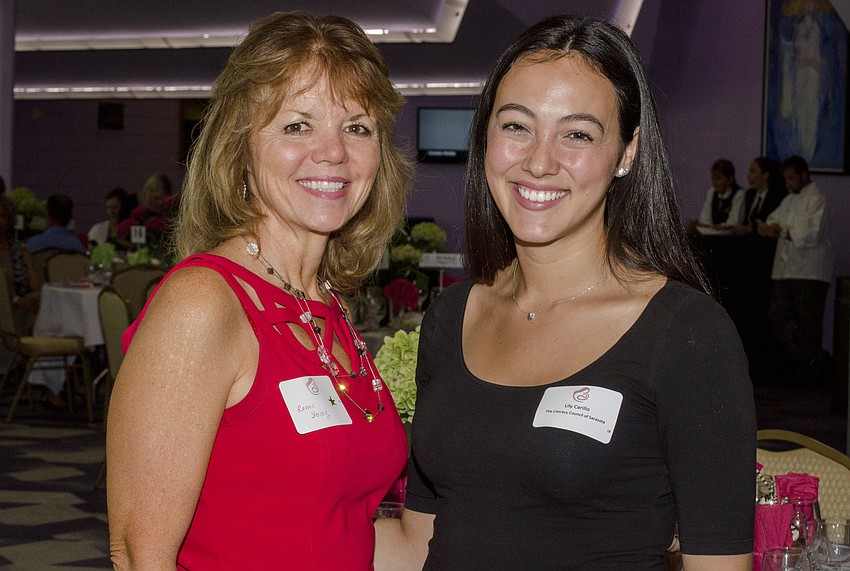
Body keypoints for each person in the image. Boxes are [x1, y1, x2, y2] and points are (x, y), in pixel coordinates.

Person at [376, 14, 755, 571]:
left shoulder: (686, 334)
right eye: (516, 126)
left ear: (626, 151)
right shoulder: (452, 317)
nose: (538, 161)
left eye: (576, 134)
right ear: (485, 136)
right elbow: (417, 546)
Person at [107, 11, 412, 569]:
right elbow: (138, 555)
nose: (334, 151)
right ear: (240, 147)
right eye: (297, 125)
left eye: (358, 127)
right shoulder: (203, 303)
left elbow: (344, 528)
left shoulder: (326, 303)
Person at [758, 155, 833, 384]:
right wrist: (775, 228)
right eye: (786, 179)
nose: (789, 183)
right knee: (777, 315)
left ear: (804, 175)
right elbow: (771, 221)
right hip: (786, 270)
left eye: (792, 178)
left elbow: (811, 234)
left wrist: (782, 230)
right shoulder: (789, 200)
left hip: (810, 272)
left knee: (808, 322)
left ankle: (812, 373)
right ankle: (813, 359)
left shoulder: (818, 199)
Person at [730, 157, 787, 235]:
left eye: (753, 171)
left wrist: (751, 229)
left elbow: (770, 222)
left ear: (766, 175)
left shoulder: (776, 196)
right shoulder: (750, 194)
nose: (749, 176)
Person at [686, 159, 745, 232]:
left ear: (730, 179)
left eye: (718, 179)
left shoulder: (739, 194)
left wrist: (720, 227)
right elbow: (704, 220)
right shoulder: (711, 192)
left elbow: (733, 222)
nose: (714, 183)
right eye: (713, 179)